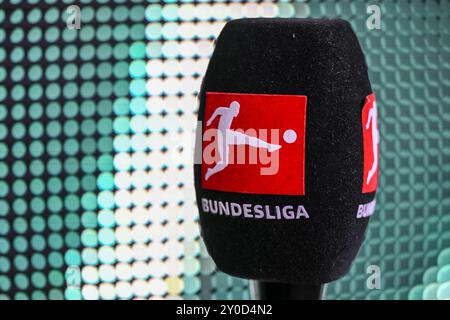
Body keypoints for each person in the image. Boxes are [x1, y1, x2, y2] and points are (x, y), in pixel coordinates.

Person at [205, 101, 281, 181]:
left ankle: (210, 171)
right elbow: (218, 110)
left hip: (223, 137)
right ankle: (269, 146)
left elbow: (217, 110)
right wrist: (210, 120)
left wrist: (210, 120)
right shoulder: (226, 110)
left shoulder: (228, 112)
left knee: (225, 162)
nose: (237, 112)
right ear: (232, 108)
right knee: (248, 140)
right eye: (237, 109)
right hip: (226, 135)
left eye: (238, 109)